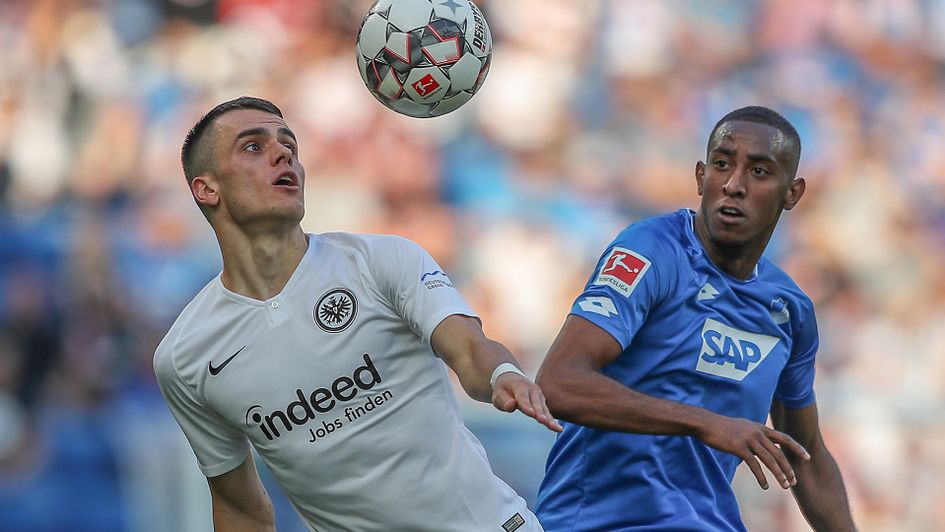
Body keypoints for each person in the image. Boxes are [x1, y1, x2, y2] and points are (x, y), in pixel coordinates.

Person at [153, 95, 561, 531]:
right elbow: (240, 509)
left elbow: (469, 349)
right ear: (207, 188)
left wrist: (502, 375)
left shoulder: (381, 260)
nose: (282, 153)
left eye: (288, 143)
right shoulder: (185, 358)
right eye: (253, 146)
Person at [534, 106, 856, 531]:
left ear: (791, 193)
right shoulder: (652, 250)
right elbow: (558, 383)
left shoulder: (789, 309)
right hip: (597, 523)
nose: (734, 185)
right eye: (723, 165)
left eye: (759, 172)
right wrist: (706, 424)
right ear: (701, 176)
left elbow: (806, 453)